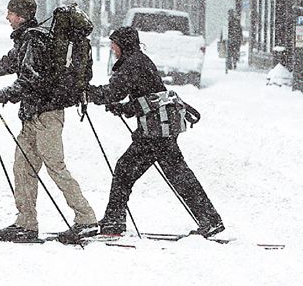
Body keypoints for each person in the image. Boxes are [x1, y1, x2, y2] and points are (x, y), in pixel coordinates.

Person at [0, 0, 98, 243]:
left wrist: (1, 96)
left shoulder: (34, 40)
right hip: (33, 115)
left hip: (47, 114)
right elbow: (5, 65)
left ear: (20, 15)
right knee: (23, 167)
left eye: (10, 13)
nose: (7, 17)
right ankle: (26, 223)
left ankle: (86, 219)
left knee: (55, 166)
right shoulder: (26, 40)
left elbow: (31, 79)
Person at [87, 26, 224, 238]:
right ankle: (210, 219)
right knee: (174, 173)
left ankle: (115, 220)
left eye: (114, 43)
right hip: (160, 127)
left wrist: (87, 92)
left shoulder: (132, 64)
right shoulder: (139, 60)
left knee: (128, 169)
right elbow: (150, 94)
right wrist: (125, 108)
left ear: (123, 44)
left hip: (155, 131)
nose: (112, 48)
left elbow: (113, 92)